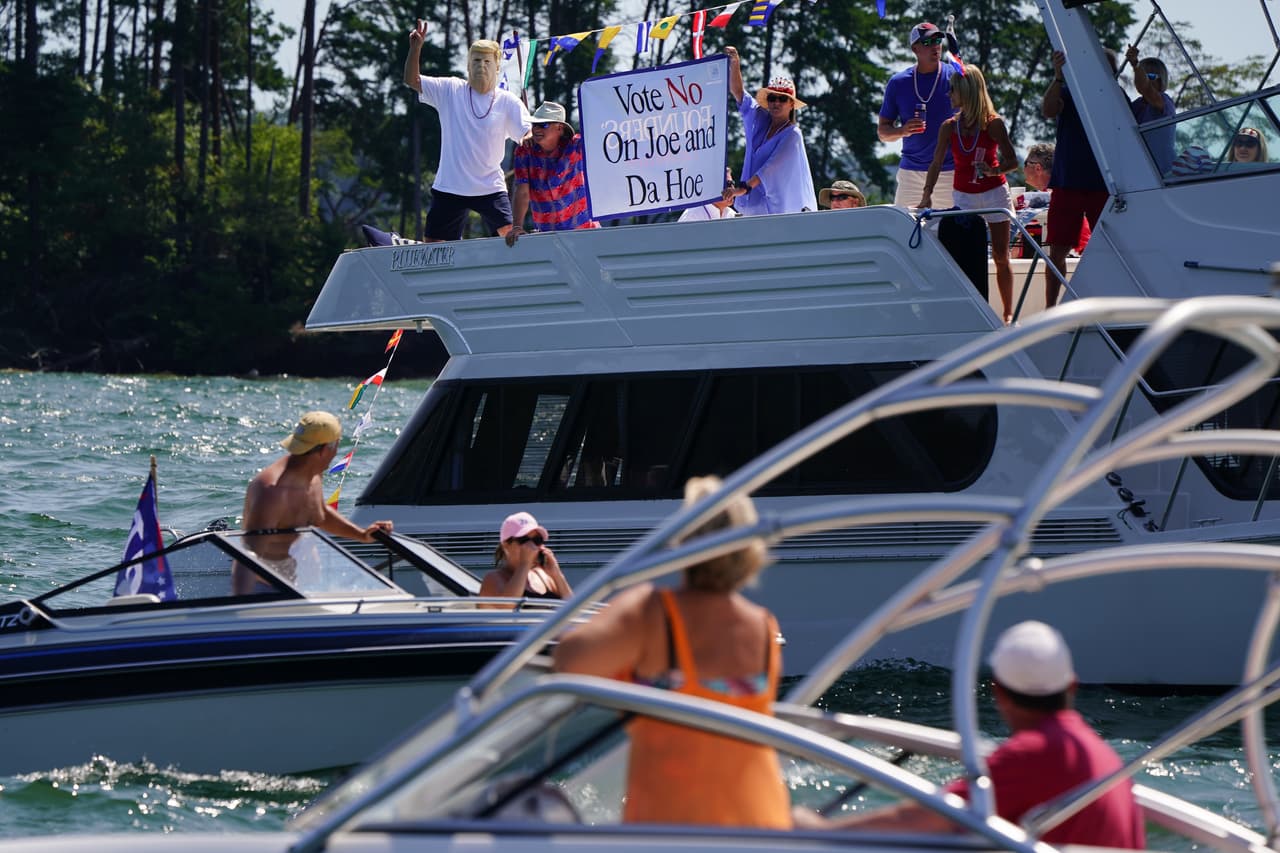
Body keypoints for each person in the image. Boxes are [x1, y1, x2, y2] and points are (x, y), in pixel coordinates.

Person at [553, 475, 790, 829]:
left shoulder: (652, 613)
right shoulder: (764, 627)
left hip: (673, 831)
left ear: (686, 540)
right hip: (760, 828)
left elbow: (568, 661)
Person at [794, 621, 1145, 849]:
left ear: (999, 693)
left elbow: (930, 817)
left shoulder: (1031, 755)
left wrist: (818, 830)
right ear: (1071, 685)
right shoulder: (1106, 758)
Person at [403, 21, 532, 242]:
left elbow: (526, 136)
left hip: (490, 186)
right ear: (468, 66)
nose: (481, 65)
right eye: (476, 60)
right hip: (450, 185)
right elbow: (411, 80)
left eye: (487, 61)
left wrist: (530, 138)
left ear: (497, 67)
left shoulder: (508, 101)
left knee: (510, 239)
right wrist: (416, 48)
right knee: (433, 248)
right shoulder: (451, 89)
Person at [237, 411, 393, 592]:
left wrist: (362, 535)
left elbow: (319, 513)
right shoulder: (271, 492)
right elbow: (248, 555)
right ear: (329, 448)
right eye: (337, 445)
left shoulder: (311, 475)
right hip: (270, 592)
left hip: (301, 587)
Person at [920, 65, 1018, 324]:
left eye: (952, 89)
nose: (949, 94)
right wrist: (926, 194)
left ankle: (1008, 315)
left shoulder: (993, 124)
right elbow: (936, 163)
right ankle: (969, 313)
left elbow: (1012, 161)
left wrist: (993, 170)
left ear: (966, 91)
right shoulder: (949, 127)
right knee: (963, 256)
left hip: (995, 193)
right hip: (964, 196)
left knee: (1000, 256)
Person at [1042, 48, 1118, 308]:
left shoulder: (1116, 97)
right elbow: (1048, 110)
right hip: (1068, 183)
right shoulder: (1069, 92)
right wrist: (1058, 76)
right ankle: (1051, 312)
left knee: (1110, 252)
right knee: (1057, 252)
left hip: (1104, 185)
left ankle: (1104, 307)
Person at [721, 46, 817, 216]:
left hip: (777, 212)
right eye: (772, 98)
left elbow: (770, 167)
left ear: (791, 104)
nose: (776, 103)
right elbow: (739, 94)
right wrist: (735, 62)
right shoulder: (760, 118)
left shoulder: (793, 134)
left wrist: (742, 189)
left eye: (783, 99)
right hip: (751, 207)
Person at [879, 22, 960, 210]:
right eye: (928, 42)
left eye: (938, 39)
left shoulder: (955, 76)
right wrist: (903, 130)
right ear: (915, 48)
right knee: (904, 233)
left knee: (953, 235)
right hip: (911, 173)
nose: (935, 45)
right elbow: (883, 132)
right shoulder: (898, 83)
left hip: (950, 171)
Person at [505, 101, 598, 245]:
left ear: (560, 128)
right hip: (548, 236)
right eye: (534, 124)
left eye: (543, 125)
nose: (536, 129)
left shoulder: (576, 146)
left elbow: (603, 137)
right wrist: (517, 227)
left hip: (585, 231)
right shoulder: (524, 152)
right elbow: (522, 192)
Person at [479, 511, 573, 602]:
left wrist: (557, 575)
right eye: (523, 540)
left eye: (537, 540)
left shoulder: (544, 576)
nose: (531, 547)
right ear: (505, 545)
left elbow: (573, 608)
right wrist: (525, 564)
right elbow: (507, 606)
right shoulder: (493, 579)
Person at [1125, 47, 1176, 175]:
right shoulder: (1137, 104)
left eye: (1150, 76)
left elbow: (1145, 87)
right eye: (1141, 75)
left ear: (1161, 80)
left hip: (1162, 175)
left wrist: (1136, 65)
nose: (1143, 79)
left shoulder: (1165, 102)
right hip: (1139, 172)